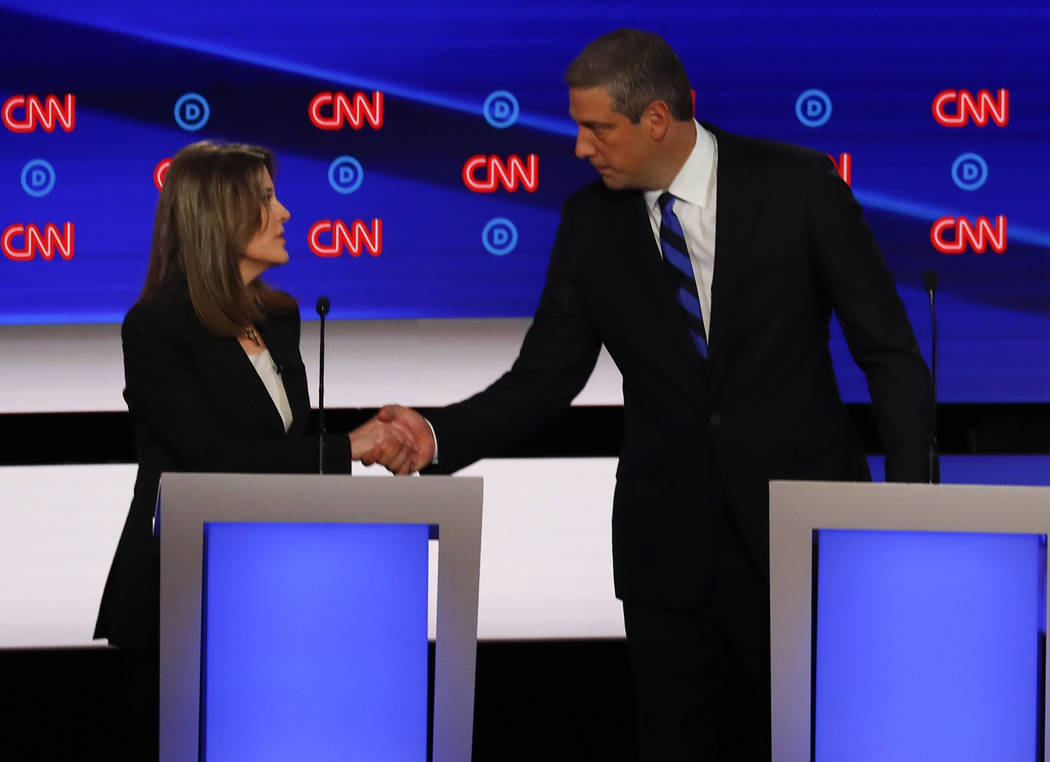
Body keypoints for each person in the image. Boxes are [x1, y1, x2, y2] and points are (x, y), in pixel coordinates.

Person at [375, 29, 932, 761]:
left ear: (657, 119)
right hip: (666, 555)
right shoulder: (588, 224)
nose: (580, 147)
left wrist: (918, 516)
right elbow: (546, 377)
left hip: (797, 535)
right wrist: (438, 435)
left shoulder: (798, 185)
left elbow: (888, 353)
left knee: (829, 741)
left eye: (597, 128)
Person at [93, 141, 415, 759]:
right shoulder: (158, 330)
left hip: (276, 599)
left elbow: (283, 448)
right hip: (182, 603)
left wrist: (367, 439)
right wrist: (352, 446)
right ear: (219, 214)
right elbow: (214, 461)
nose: (286, 212)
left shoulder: (279, 317)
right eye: (266, 199)